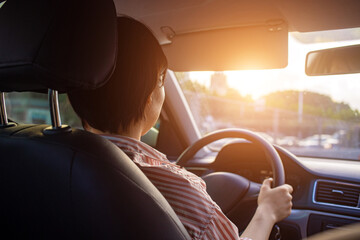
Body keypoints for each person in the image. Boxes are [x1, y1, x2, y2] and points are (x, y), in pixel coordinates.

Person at [68, 16, 293, 240]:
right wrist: (267, 211)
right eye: (160, 80)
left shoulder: (50, 161)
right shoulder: (177, 189)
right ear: (149, 95)